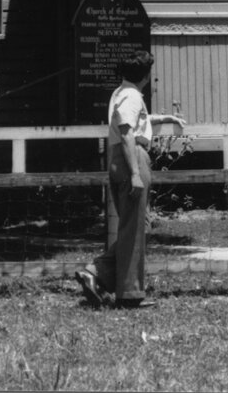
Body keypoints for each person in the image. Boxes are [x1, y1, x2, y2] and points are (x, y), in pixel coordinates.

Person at [75, 50, 176, 310]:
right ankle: (127, 293)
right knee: (134, 229)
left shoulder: (121, 93)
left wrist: (162, 118)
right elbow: (128, 132)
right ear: (145, 75)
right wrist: (134, 174)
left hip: (119, 158)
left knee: (135, 226)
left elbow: (134, 121)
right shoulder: (132, 96)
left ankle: (98, 274)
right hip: (132, 158)